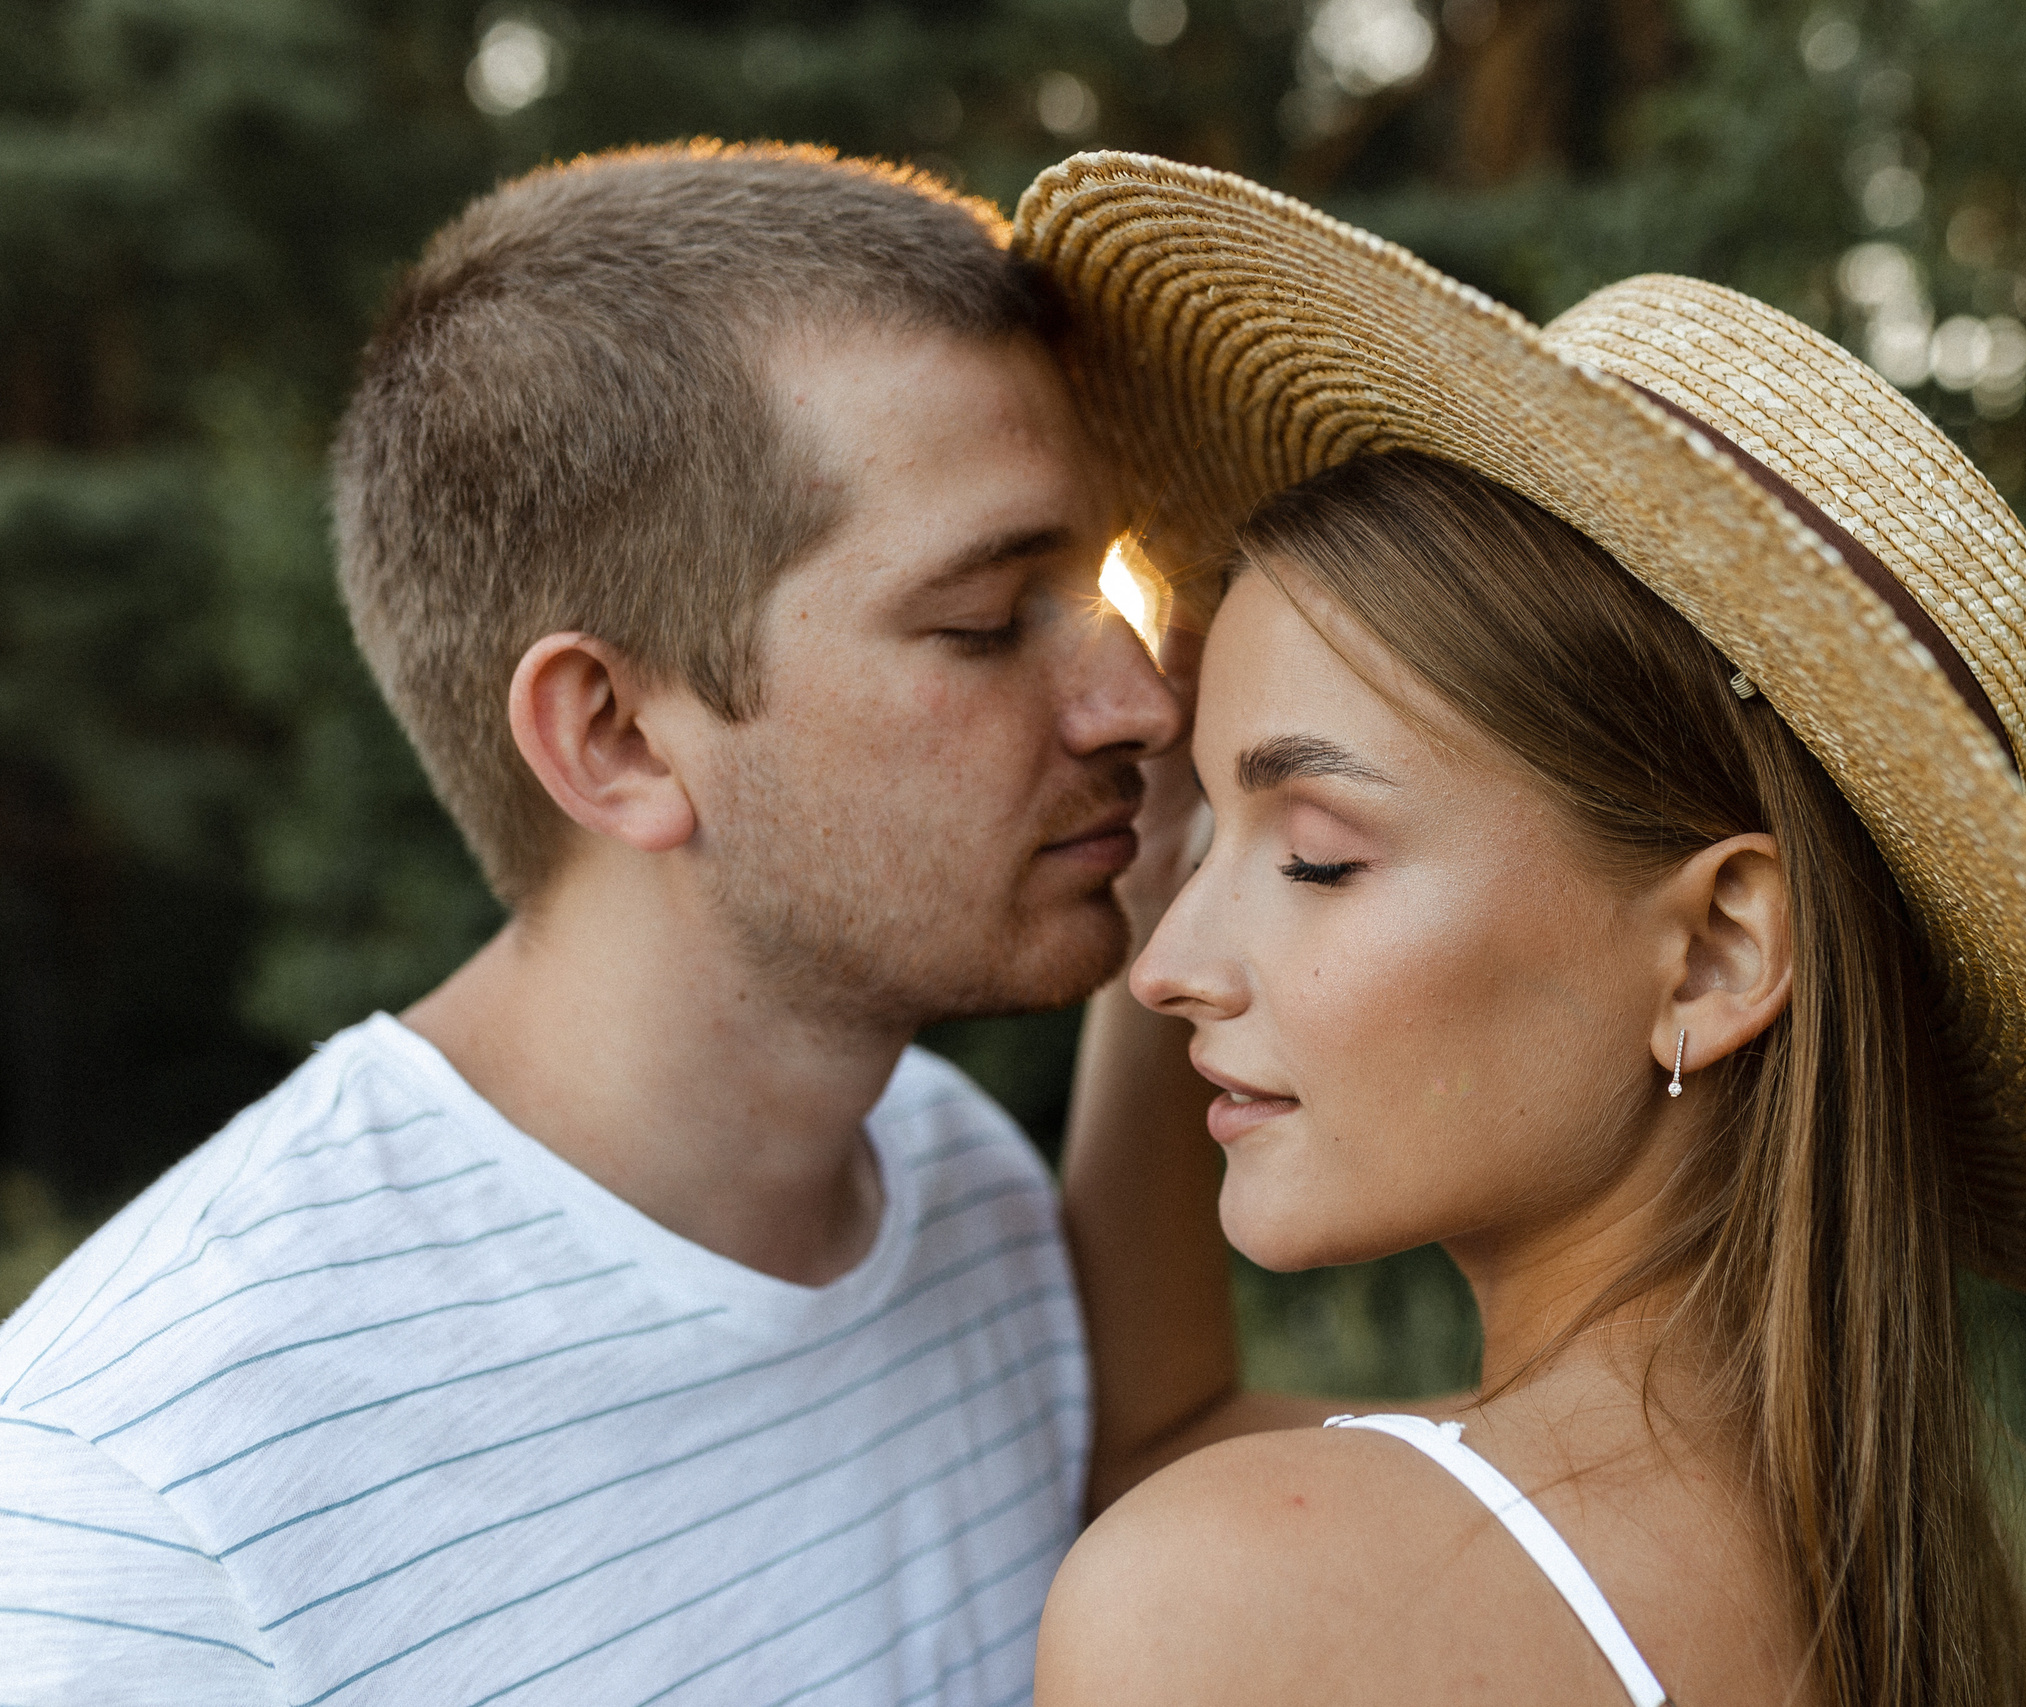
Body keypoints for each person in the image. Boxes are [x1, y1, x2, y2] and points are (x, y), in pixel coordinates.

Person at [1015, 156, 2026, 1706]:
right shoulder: (1867, 1577)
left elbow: (1156, 1484)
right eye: (1202, 826)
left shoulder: (1248, 1592)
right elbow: (1152, 1421)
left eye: (1316, 857)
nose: (1169, 962)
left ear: (1719, 951)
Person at [0, 143, 1183, 1705]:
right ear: (614, 738)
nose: (1137, 702)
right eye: (982, 622)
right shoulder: (142, 1511)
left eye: (1096, 593)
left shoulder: (962, 1189)